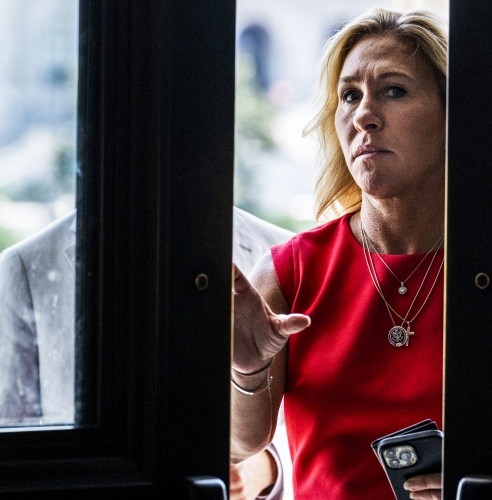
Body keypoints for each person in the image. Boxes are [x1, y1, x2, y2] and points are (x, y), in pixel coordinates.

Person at [230, 7, 447, 500]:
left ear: (452, 114)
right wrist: (247, 367)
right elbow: (243, 443)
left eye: (394, 90)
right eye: (350, 95)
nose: (364, 115)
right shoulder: (290, 271)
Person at [0, 206, 293, 500]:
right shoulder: (26, 266)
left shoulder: (283, 256)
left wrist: (265, 466)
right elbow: (15, 440)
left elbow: (319, 423)